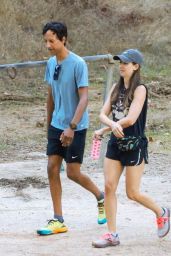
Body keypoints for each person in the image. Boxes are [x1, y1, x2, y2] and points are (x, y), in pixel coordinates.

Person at [92, 49, 170, 248]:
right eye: (120, 62)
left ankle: (162, 212)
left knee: (132, 193)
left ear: (136, 66)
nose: (122, 65)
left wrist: (114, 125)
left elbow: (132, 118)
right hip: (115, 144)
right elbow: (102, 113)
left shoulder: (140, 89)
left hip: (134, 144)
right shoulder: (116, 88)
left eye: (126, 62)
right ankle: (112, 234)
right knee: (109, 186)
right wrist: (108, 126)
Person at [37, 22, 106, 236]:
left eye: (52, 41)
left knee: (73, 173)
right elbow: (50, 95)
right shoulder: (50, 63)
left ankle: (100, 196)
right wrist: (49, 123)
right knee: (51, 168)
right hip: (56, 125)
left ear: (63, 38)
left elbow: (84, 97)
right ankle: (58, 220)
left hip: (75, 126)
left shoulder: (78, 63)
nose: (48, 45)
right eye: (46, 41)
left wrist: (71, 127)